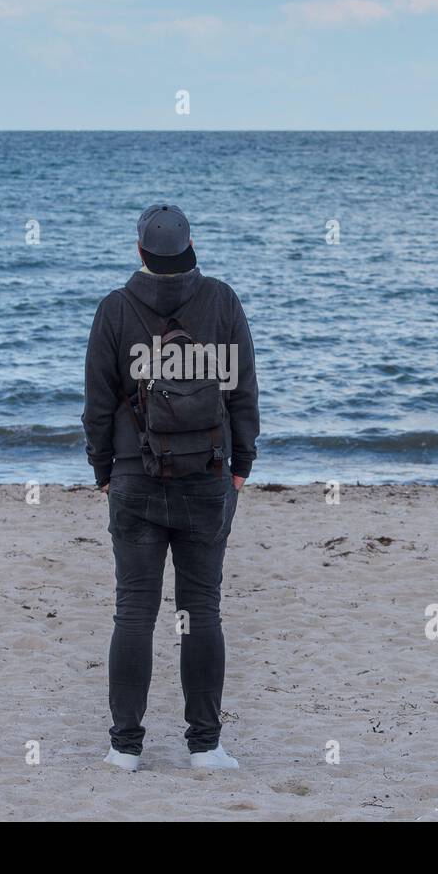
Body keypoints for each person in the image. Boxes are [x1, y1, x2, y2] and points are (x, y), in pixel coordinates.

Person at [81, 204, 259, 771]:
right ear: (191, 246)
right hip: (208, 476)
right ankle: (205, 747)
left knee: (133, 610)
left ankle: (124, 749)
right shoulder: (222, 301)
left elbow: (97, 403)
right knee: (202, 609)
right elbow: (243, 391)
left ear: (139, 251)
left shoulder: (115, 309)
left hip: (134, 478)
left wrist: (103, 469)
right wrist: (242, 464)